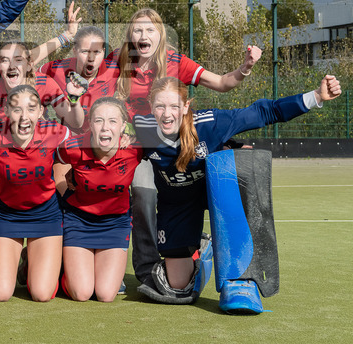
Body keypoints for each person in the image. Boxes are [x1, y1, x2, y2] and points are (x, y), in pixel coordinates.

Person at [134, 75, 342, 302]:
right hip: (177, 203)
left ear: (185, 107)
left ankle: (239, 278)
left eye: (174, 106)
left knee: (238, 159)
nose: (167, 114)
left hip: (217, 193)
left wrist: (316, 96)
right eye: (160, 106)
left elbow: (263, 112)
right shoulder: (140, 129)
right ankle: (203, 248)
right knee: (178, 284)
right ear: (151, 107)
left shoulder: (211, 123)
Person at [108, 8, 263, 290]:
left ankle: (194, 247)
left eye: (150, 29)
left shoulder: (175, 61)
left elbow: (221, 83)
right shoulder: (118, 61)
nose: (143, 35)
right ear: (130, 35)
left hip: (170, 147)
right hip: (135, 146)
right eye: (138, 30)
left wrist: (245, 67)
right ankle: (146, 271)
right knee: (136, 198)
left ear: (160, 34)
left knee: (158, 194)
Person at [0, 85, 70, 302]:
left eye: (31, 109)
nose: (24, 117)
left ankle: (31, 263)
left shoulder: (56, 131)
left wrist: (124, 139)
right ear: (6, 111)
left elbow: (89, 143)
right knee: (0, 293)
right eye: (17, 109)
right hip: (6, 214)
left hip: (45, 214)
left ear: (41, 112)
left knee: (41, 294)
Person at [55, 98, 143, 303]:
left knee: (105, 295)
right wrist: (65, 190)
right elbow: (53, 162)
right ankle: (57, 268)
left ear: (123, 125)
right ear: (90, 124)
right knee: (82, 293)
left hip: (115, 223)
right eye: (98, 120)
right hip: (78, 221)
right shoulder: (72, 147)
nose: (105, 127)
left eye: (113, 121)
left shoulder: (136, 149)